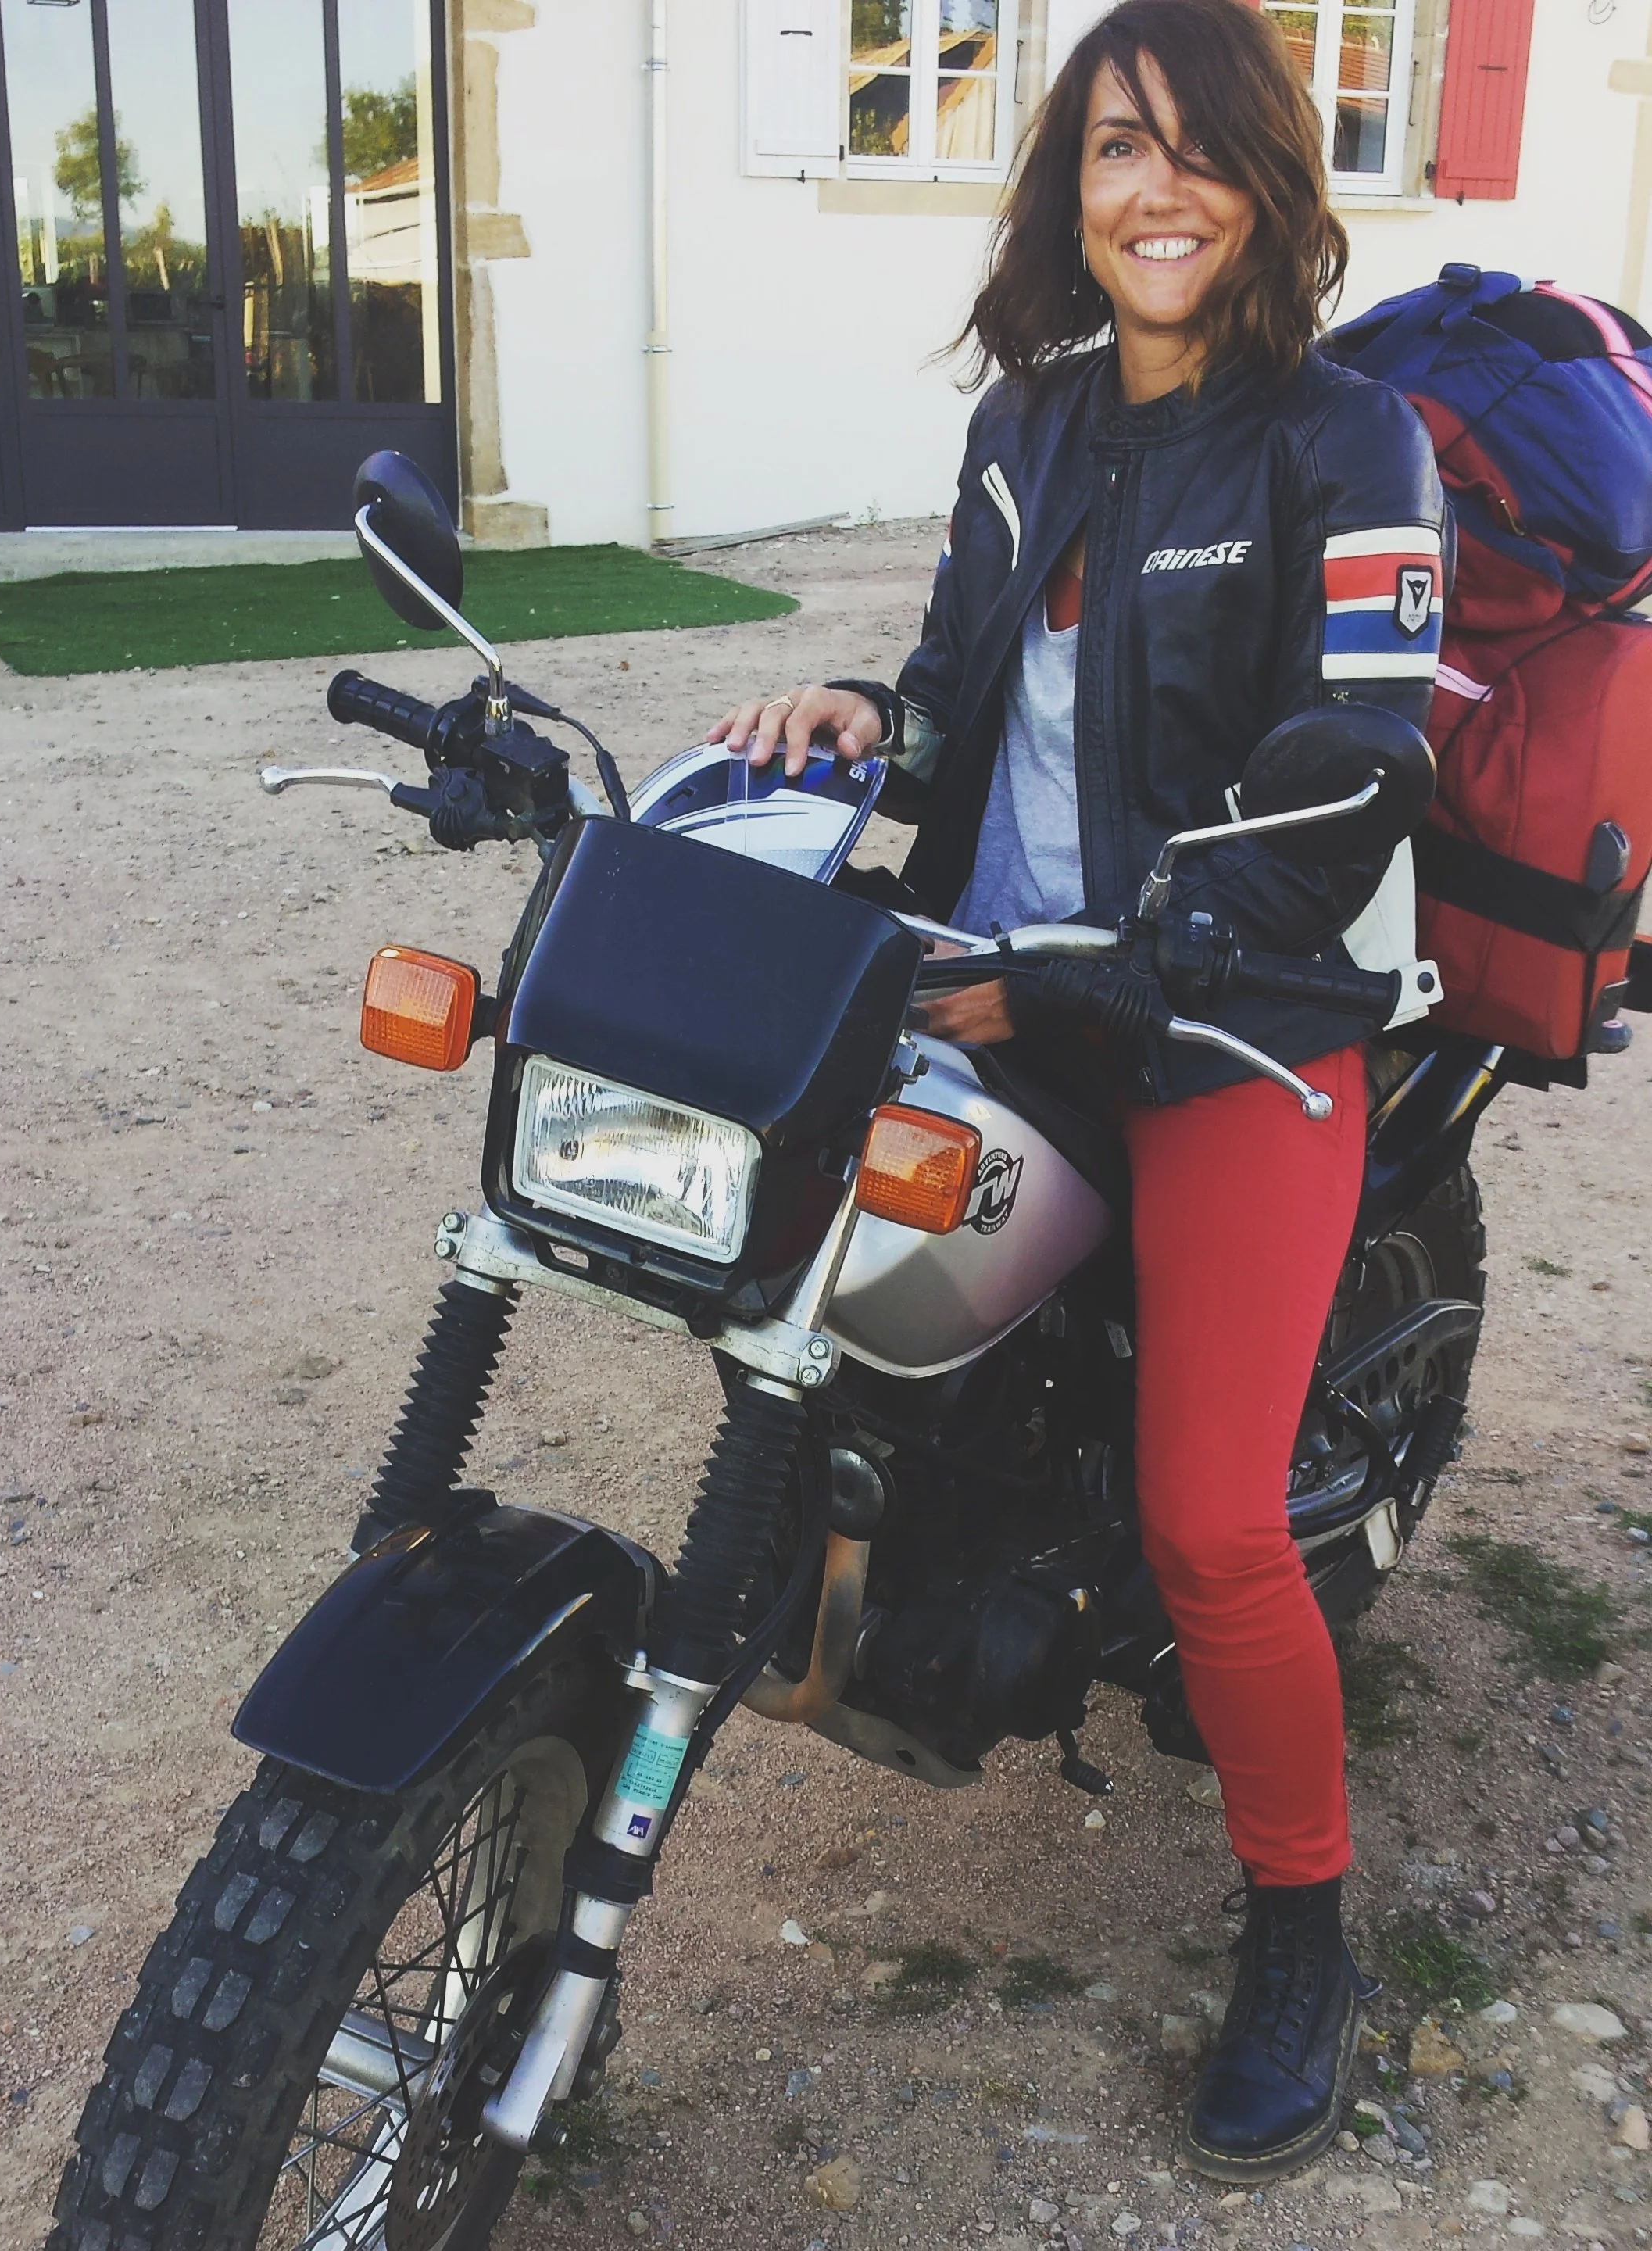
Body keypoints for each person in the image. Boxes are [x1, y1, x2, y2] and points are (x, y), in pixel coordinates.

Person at [710, 0, 1446, 2184]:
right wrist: (857, 718)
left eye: (1202, 150)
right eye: (1118, 149)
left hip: (1238, 1027)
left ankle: (1303, 1925)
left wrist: (1145, 956)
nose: (1157, 191)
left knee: (1215, 1521)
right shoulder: (1029, 422)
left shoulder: (1351, 441)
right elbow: (958, 706)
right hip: (1000, 993)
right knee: (774, 1280)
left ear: (1269, 186)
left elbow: (1367, 769)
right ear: (1069, 189)